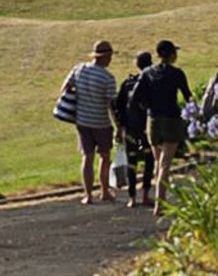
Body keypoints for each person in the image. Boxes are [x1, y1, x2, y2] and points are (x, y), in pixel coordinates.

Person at [129, 39, 192, 215]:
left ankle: (158, 198)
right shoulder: (177, 73)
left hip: (153, 120)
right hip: (171, 119)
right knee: (165, 163)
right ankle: (160, 203)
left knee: (158, 161)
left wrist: (148, 107)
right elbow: (188, 96)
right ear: (172, 54)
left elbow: (135, 98)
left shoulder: (147, 73)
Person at [59, 40, 119, 204]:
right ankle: (104, 191)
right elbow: (112, 105)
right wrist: (119, 126)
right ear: (106, 57)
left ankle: (88, 195)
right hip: (101, 122)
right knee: (105, 157)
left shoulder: (79, 69)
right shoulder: (108, 78)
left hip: (83, 120)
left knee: (87, 157)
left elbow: (64, 88)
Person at [114, 50, 155, 207]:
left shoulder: (127, 83)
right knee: (149, 160)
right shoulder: (151, 81)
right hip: (147, 128)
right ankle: (145, 194)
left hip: (130, 128)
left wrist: (120, 127)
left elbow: (118, 107)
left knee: (131, 161)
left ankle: (132, 197)